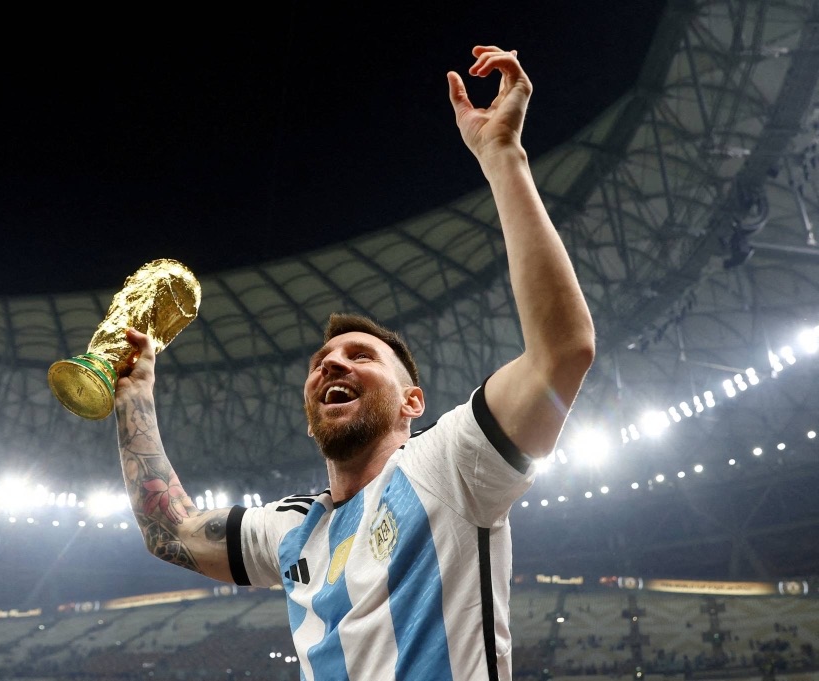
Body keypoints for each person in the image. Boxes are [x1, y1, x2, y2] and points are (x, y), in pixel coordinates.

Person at [114, 44, 595, 681]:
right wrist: (135, 396)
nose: (332, 365)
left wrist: (503, 156)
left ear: (412, 402)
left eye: (360, 356)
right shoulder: (291, 530)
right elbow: (168, 530)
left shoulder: (448, 465)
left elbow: (562, 353)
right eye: (321, 361)